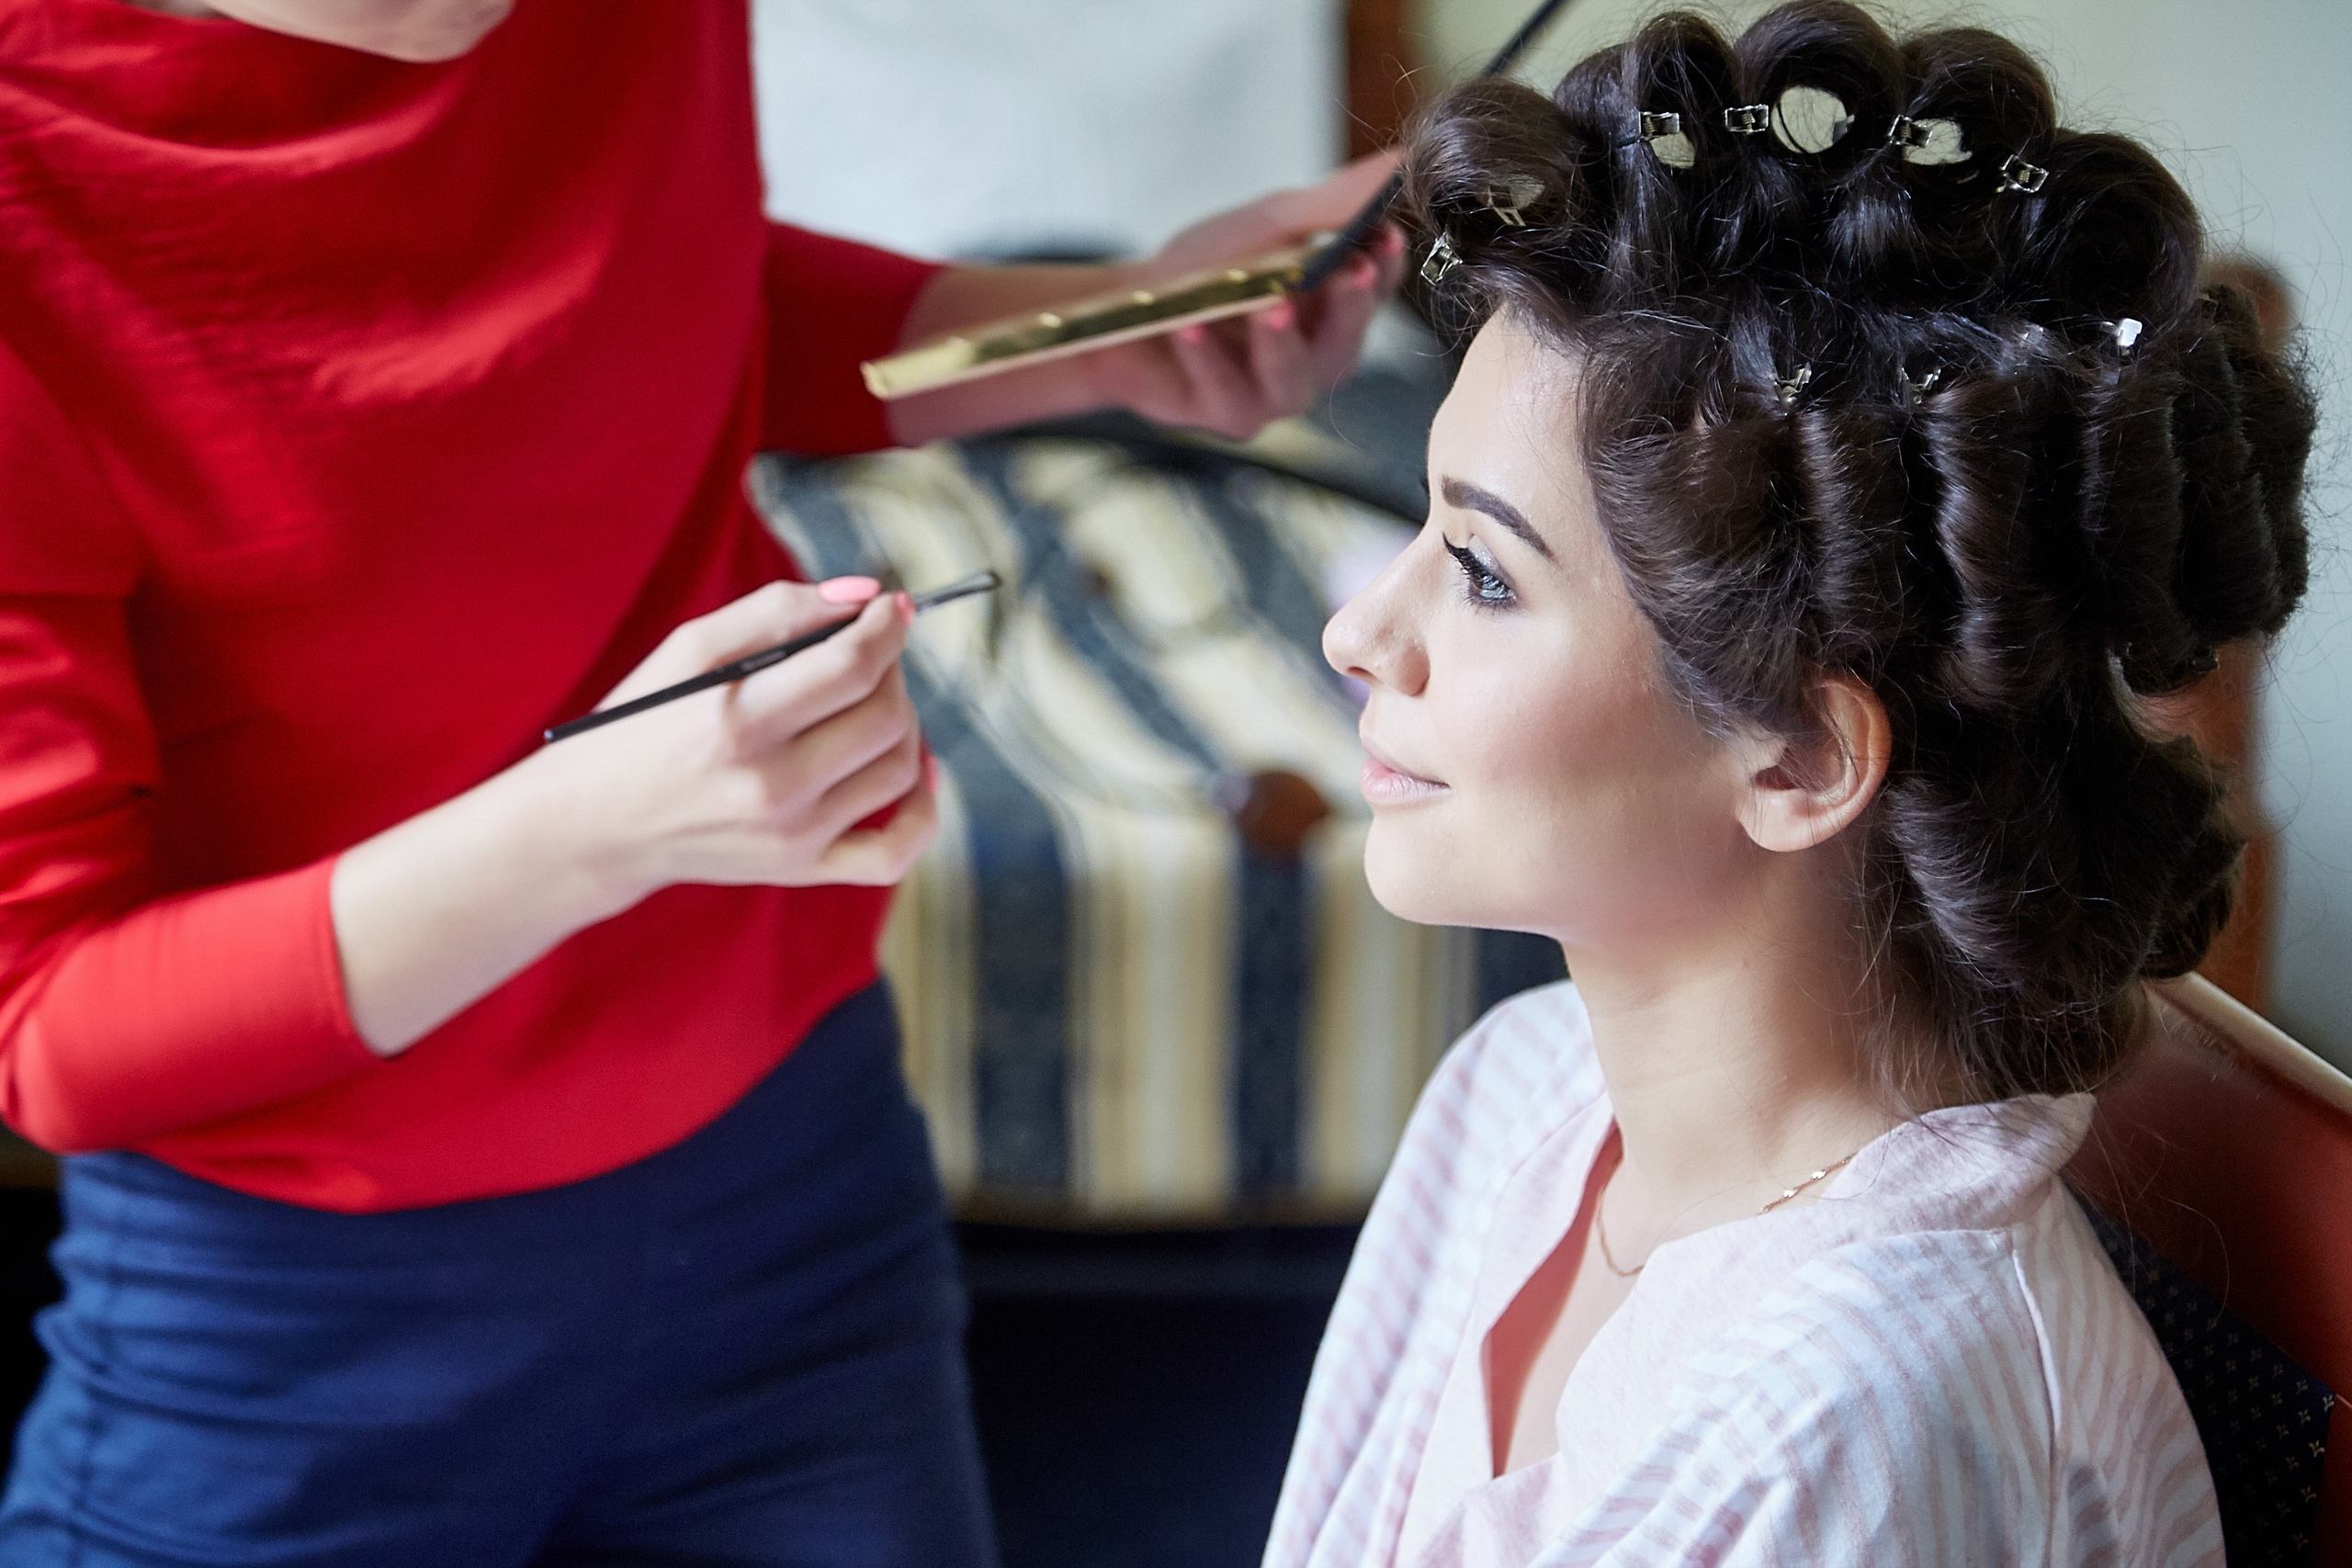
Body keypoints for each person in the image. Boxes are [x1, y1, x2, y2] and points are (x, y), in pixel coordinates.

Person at [0, 0, 1404, 1562]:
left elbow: (661, 290)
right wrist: (592, 829)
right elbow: (49, 1023)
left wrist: (1098, 330)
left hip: (800, 1204)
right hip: (291, 1339)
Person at [1263, 4, 2313, 1564]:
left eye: (1480, 572)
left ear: (1803, 754)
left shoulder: (1856, 1428)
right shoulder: (1518, 1099)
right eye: (1422, 528)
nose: (1360, 632)